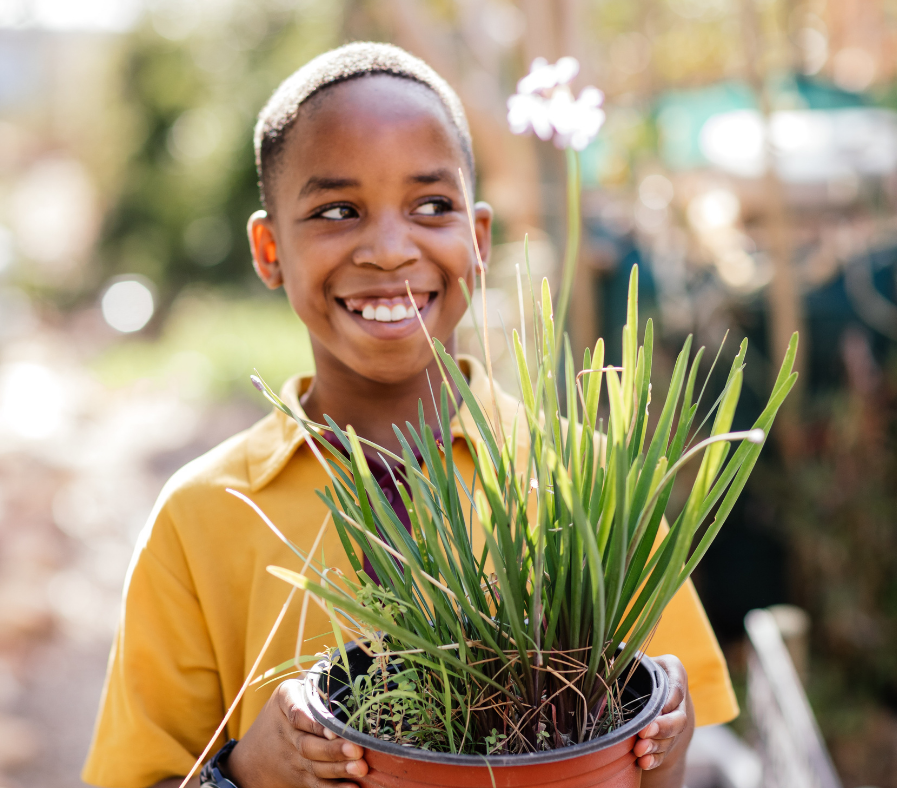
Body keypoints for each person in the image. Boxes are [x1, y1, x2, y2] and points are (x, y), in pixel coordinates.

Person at [82, 42, 737, 788]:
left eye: (432, 206)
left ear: (479, 240)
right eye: (337, 211)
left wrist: (663, 751)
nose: (391, 249)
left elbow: (671, 754)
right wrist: (248, 770)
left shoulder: (583, 483)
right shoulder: (205, 515)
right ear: (269, 250)